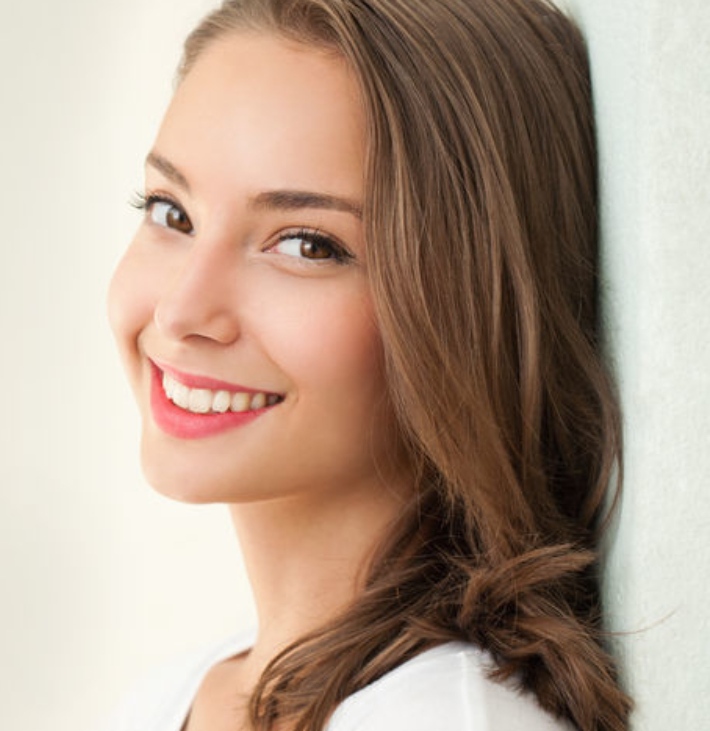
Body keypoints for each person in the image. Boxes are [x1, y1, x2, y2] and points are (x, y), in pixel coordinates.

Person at [99, 0, 632, 730]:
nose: (181, 312)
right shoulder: (173, 697)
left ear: (470, 310)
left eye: (308, 245)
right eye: (172, 212)